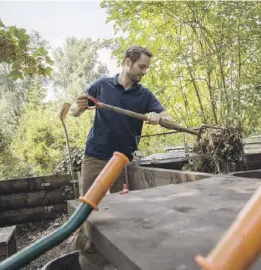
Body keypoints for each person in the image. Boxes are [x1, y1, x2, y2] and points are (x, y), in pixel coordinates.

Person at [70, 45, 174, 270]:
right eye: (141, 66)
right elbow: (75, 110)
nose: (144, 71)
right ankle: (88, 256)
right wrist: (77, 108)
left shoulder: (144, 94)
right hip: (95, 155)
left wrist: (159, 117)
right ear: (128, 61)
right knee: (87, 206)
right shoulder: (101, 85)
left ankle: (117, 258)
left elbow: (167, 116)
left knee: (121, 209)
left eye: (146, 67)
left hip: (122, 159)